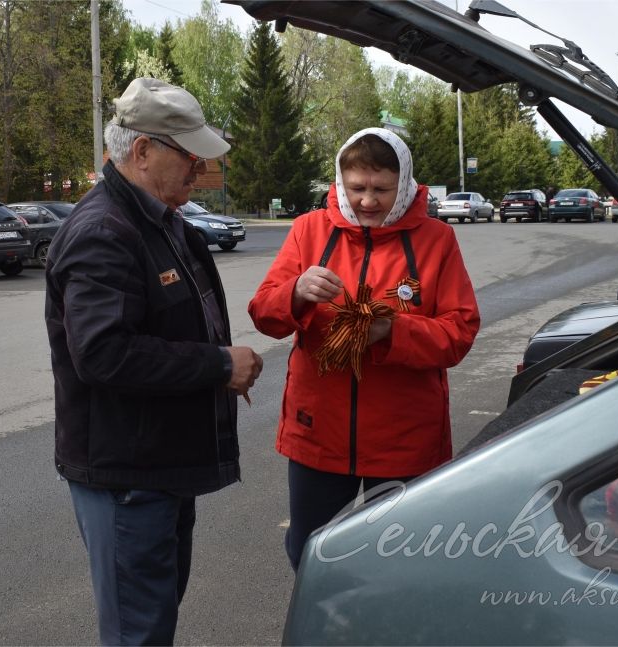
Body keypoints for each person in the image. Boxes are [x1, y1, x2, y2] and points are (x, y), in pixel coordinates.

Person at [44, 78, 263, 646]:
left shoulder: (162, 223)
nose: (200, 171)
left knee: (153, 622)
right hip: (126, 477)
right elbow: (103, 352)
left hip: (157, 468)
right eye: (189, 157)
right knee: (137, 634)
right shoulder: (103, 232)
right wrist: (218, 365)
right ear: (142, 152)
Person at [247, 128, 481, 570]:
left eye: (381, 189)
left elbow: (460, 332)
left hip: (405, 440)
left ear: (405, 185)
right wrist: (295, 292)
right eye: (357, 188)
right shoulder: (309, 231)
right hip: (318, 432)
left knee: (397, 563)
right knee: (310, 554)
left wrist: (391, 332)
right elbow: (263, 313)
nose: (368, 201)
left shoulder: (436, 240)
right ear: (340, 182)